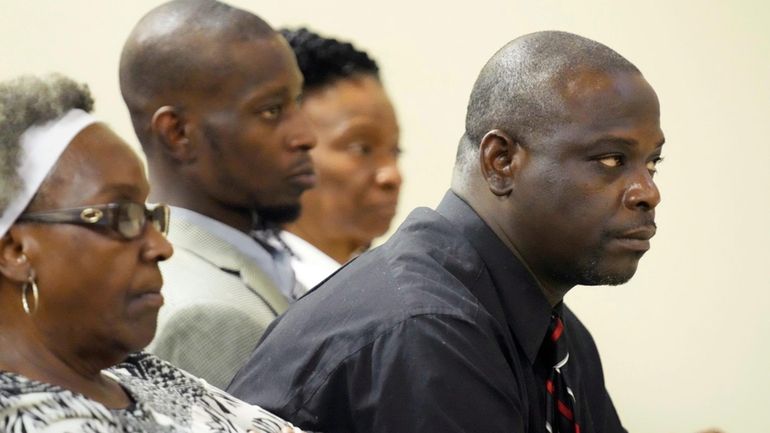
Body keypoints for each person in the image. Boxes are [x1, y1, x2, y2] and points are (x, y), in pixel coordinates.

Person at [228, 31, 665, 433]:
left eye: (652, 164)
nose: (648, 192)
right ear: (501, 162)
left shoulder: (560, 338)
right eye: (611, 160)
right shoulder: (425, 329)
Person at [0, 73, 301, 433]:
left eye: (149, 215)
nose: (161, 246)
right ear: (15, 251)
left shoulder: (135, 372)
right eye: (121, 216)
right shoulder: (31, 421)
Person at [119, 0, 316, 389]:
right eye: (272, 110)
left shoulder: (254, 253)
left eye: (296, 102)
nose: (306, 135)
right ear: (178, 134)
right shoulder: (200, 313)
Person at [278, 28, 402, 292]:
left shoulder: (388, 288)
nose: (392, 175)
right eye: (361, 148)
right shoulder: (261, 296)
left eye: (395, 151)